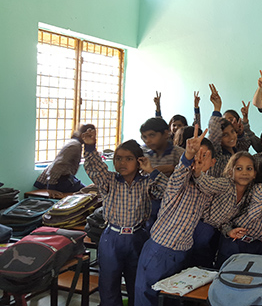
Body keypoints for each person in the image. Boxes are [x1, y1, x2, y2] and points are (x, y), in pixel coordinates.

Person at [82, 130, 168, 306]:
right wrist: (90, 147)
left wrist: (151, 171)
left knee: (136, 281)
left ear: (139, 161)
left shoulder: (146, 182)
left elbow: (168, 192)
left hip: (137, 236)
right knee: (108, 283)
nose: (122, 163)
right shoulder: (110, 181)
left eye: (128, 158)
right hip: (112, 237)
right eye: (118, 158)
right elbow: (95, 168)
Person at [134, 129, 215, 306]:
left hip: (183, 251)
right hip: (159, 250)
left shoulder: (208, 187)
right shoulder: (179, 181)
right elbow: (177, 177)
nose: (198, 159)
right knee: (148, 297)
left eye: (204, 156)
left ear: (213, 162)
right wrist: (187, 156)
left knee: (171, 299)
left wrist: (152, 171)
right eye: (195, 155)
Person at [34, 123, 95, 193]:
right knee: (89, 193)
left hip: (63, 178)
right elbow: (57, 166)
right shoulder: (75, 146)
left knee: (88, 189)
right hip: (57, 181)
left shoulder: (74, 143)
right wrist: (51, 188)